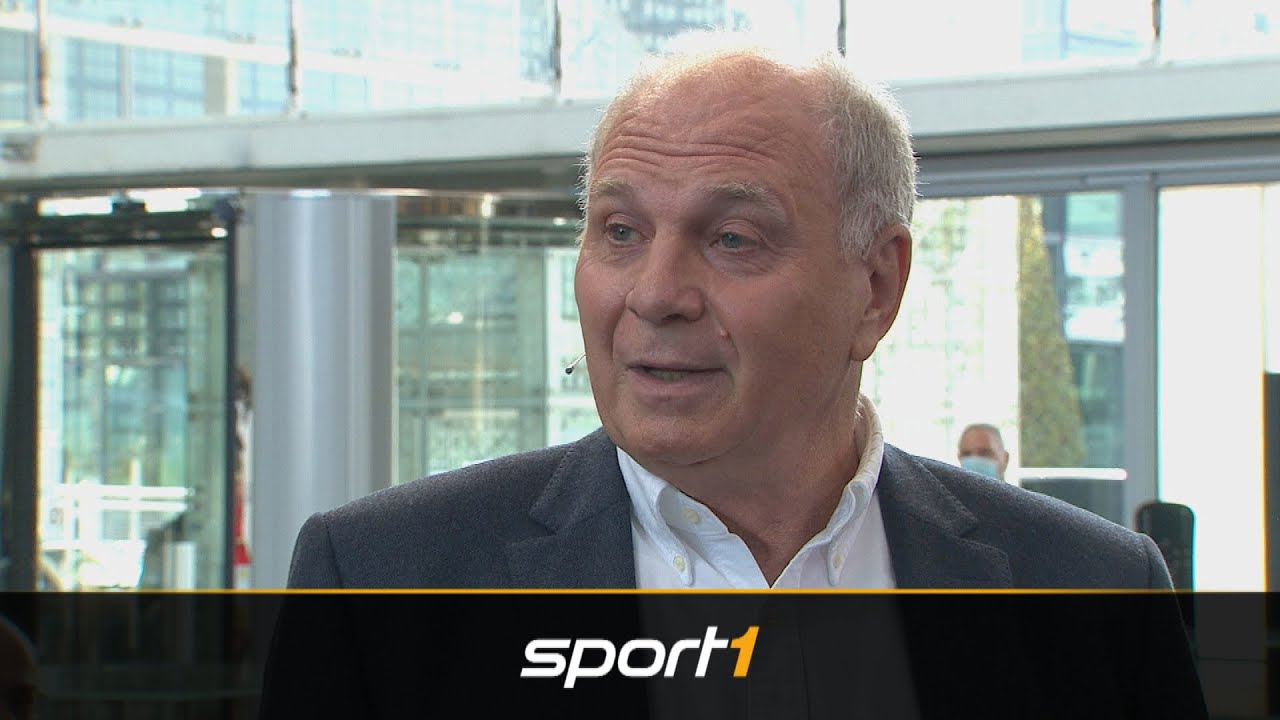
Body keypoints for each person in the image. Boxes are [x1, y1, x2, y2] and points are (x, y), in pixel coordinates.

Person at [262, 31, 1206, 719]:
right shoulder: (380, 586)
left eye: (732, 238)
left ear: (875, 288)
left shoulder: (1094, 597)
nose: (655, 294)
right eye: (620, 231)